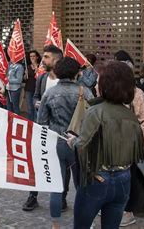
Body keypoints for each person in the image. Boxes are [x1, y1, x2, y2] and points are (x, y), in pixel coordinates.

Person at [67, 61, 144, 229]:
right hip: (124, 180)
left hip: (98, 179)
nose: (96, 83)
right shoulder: (130, 116)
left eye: (99, 80)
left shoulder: (95, 111)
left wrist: (73, 141)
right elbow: (136, 152)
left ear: (106, 84)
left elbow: (82, 146)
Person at [37, 57, 94, 229]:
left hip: (57, 141)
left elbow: (42, 122)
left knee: (56, 185)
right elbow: (93, 119)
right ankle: (85, 222)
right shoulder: (86, 92)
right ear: (77, 72)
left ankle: (55, 223)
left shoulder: (50, 93)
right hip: (79, 142)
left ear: (57, 72)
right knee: (81, 186)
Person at [113, 50, 144, 227]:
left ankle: (127, 210)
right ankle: (114, 206)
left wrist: (141, 143)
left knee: (128, 176)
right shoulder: (110, 91)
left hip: (130, 144)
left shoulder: (137, 94)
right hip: (112, 144)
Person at [23, 44, 63, 212]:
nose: (43, 59)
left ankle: (61, 198)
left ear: (56, 60)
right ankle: (33, 196)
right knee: (38, 163)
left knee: (61, 166)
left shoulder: (67, 80)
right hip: (43, 128)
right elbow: (36, 97)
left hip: (61, 130)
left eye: (46, 57)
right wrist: (37, 102)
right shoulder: (42, 78)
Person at [24, 50, 41, 121]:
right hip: (28, 89)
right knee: (29, 108)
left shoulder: (40, 66)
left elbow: (40, 76)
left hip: (37, 90)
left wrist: (36, 67)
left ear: (37, 57)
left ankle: (35, 124)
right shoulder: (27, 66)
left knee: (36, 108)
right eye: (31, 56)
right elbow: (24, 79)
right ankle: (30, 124)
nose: (32, 58)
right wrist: (25, 74)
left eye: (34, 56)